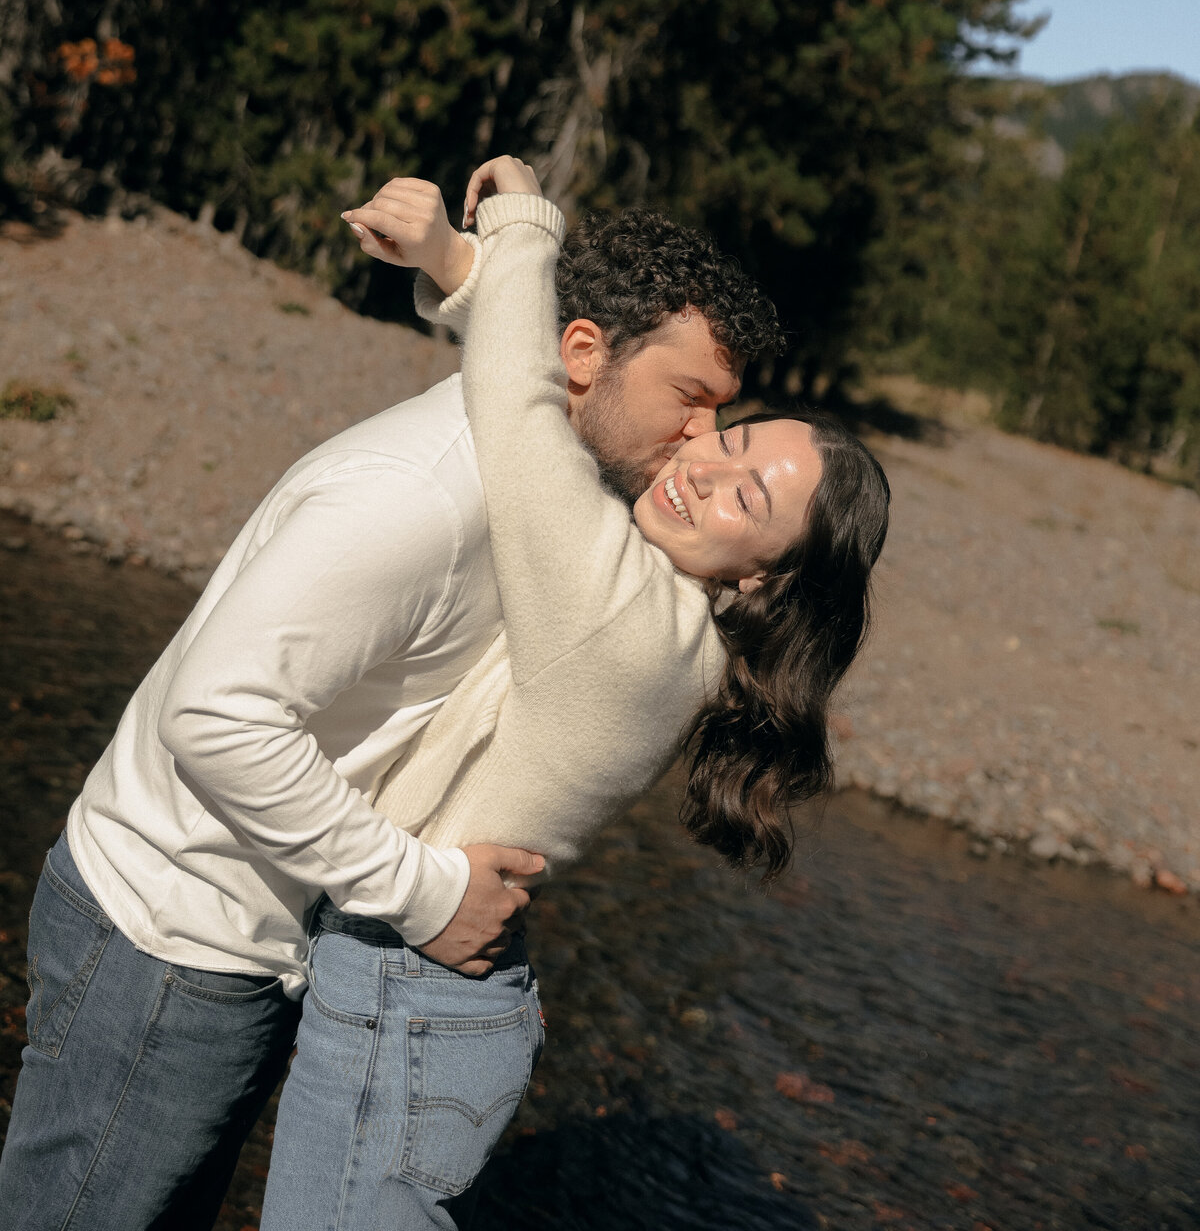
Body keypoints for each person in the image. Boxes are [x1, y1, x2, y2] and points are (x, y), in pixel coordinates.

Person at [0, 188, 781, 1231]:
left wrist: (463, 262)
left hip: (246, 934)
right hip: (170, 937)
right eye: (692, 397)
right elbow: (216, 717)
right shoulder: (417, 499)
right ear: (584, 355)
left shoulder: (553, 469)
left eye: (722, 413)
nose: (703, 436)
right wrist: (422, 893)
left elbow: (512, 339)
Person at [257, 158, 890, 1230]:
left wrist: (522, 227)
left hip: (407, 997)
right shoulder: (660, 595)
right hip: (428, 992)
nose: (699, 464)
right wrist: (453, 269)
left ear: (766, 578)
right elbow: (591, 408)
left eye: (748, 499)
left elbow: (521, 408)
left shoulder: (631, 628)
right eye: (727, 438)